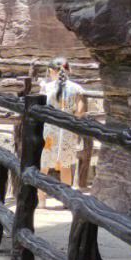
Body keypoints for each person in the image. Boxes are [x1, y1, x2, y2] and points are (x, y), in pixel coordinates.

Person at [38, 57, 87, 204]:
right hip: (68, 132)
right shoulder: (77, 88)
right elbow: (80, 111)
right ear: (69, 70)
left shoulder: (47, 87)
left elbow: (40, 108)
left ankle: (41, 202)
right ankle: (66, 202)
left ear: (52, 71)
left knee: (44, 165)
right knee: (66, 166)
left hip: (49, 132)